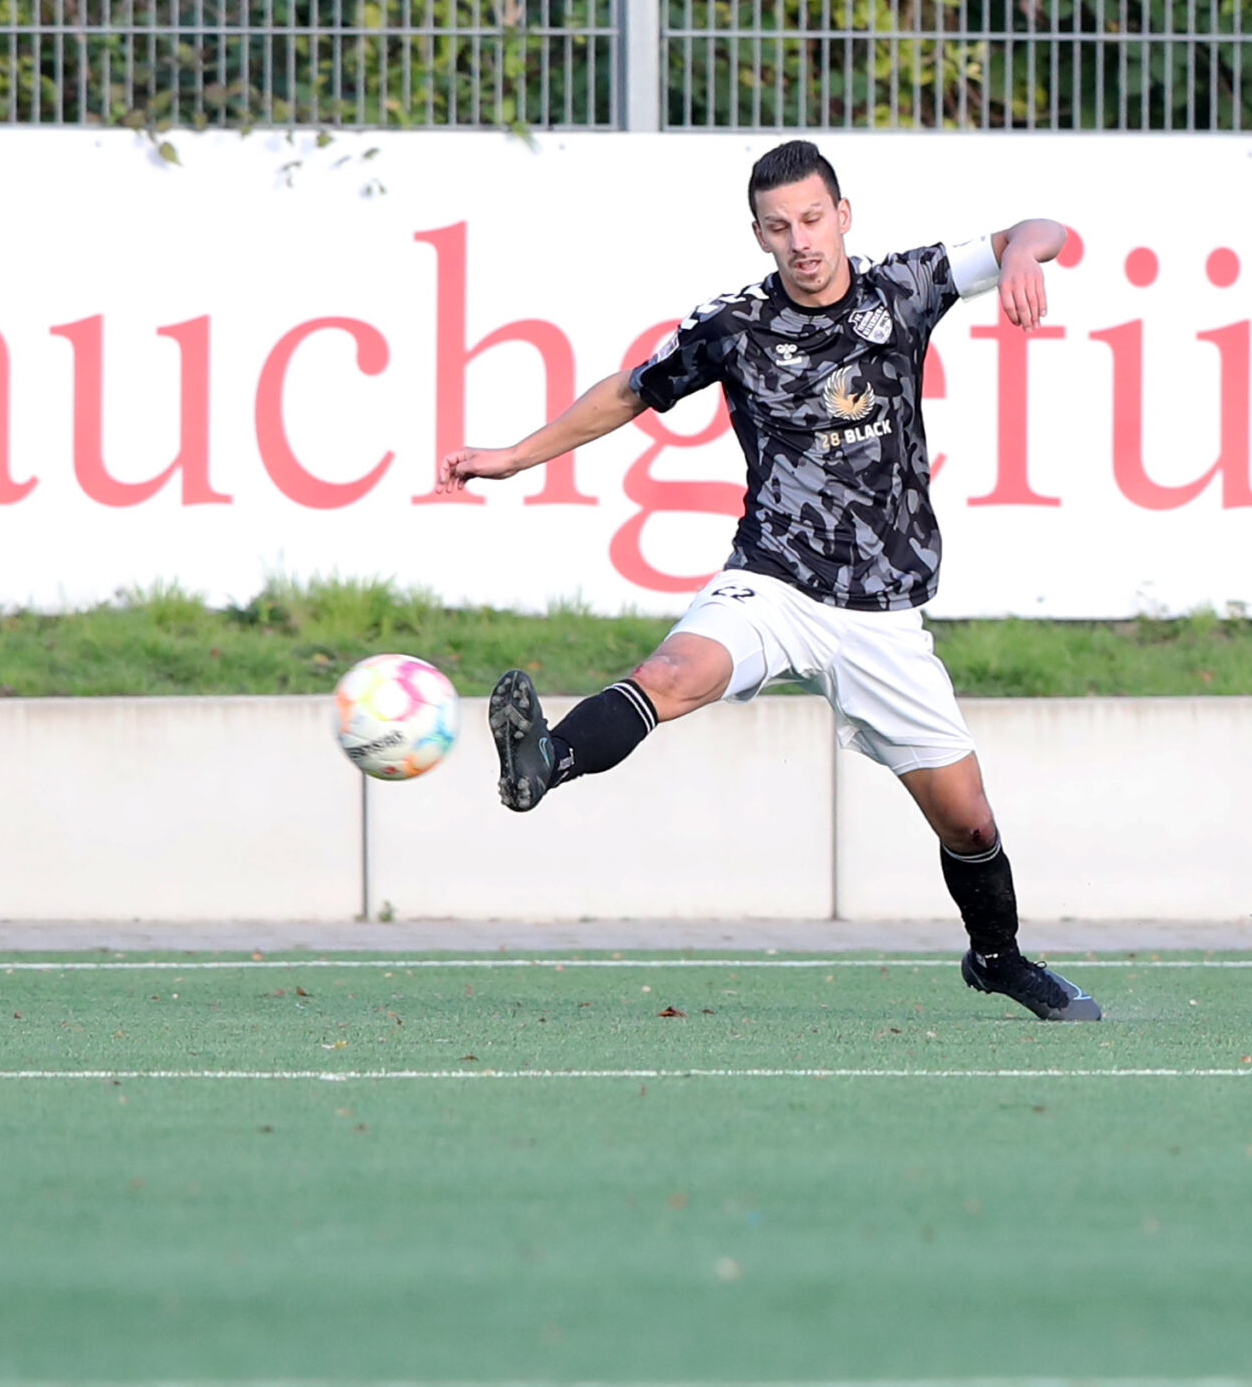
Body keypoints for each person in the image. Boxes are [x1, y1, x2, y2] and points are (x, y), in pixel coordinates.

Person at [433, 139, 1099, 1022]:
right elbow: (631, 391)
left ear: (844, 214)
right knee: (672, 676)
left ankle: (999, 958)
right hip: (774, 579)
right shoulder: (734, 325)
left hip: (883, 614)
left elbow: (1044, 229)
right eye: (780, 226)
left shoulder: (904, 288)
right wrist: (516, 456)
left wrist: (1017, 250)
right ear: (759, 234)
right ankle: (544, 758)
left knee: (970, 824)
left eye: (814, 219)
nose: (802, 241)